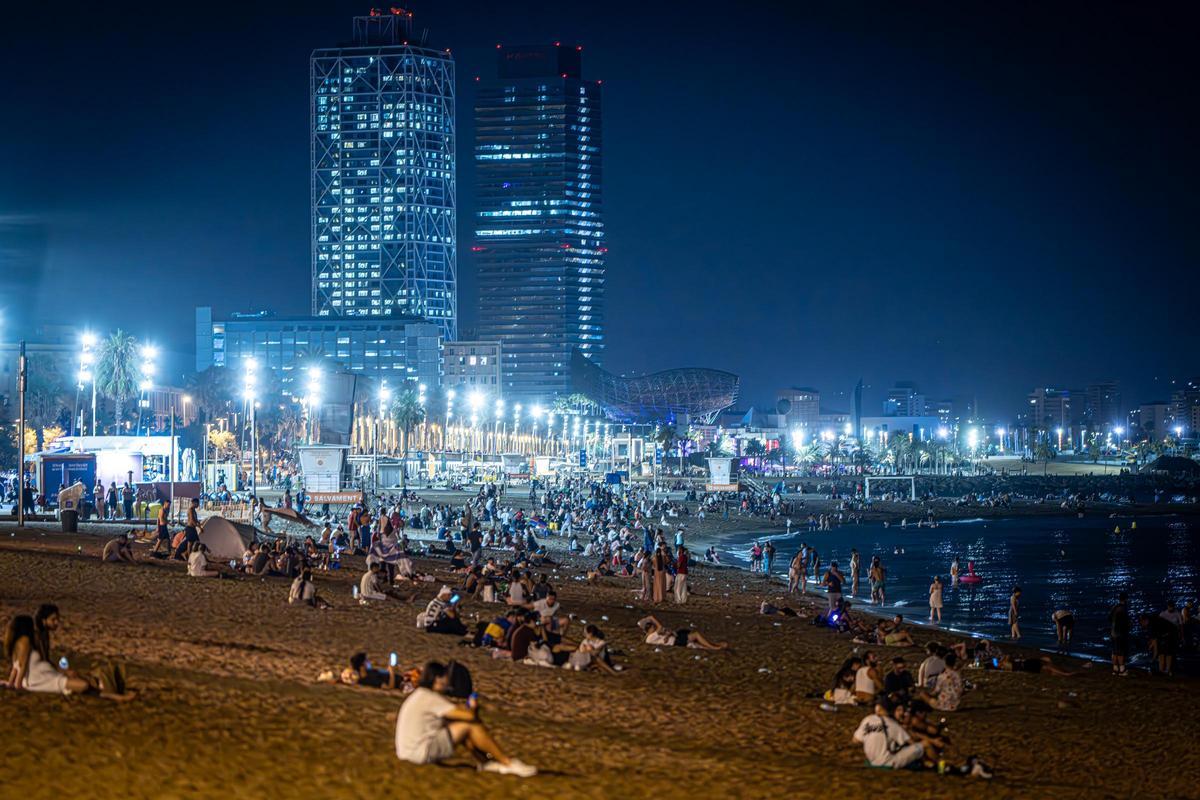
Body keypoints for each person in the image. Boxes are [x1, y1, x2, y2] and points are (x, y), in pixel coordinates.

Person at [394, 661, 536, 776]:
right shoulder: (431, 698)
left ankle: (485, 762)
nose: (447, 682)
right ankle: (507, 763)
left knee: (459, 725)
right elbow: (469, 716)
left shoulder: (421, 694)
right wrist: (473, 707)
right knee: (469, 725)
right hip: (419, 753)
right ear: (437, 679)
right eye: (445, 678)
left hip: (407, 752)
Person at [2, 605, 134, 700]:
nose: (57, 623)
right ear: (43, 620)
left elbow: (21, 664)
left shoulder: (41, 636)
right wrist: (16, 686)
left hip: (46, 674)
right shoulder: (32, 638)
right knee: (82, 683)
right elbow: (22, 664)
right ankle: (111, 691)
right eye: (53, 619)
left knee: (80, 678)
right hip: (42, 679)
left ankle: (113, 694)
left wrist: (11, 683)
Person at [852, 697, 925, 770]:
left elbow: (855, 740)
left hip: (871, 761)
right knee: (923, 745)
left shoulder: (867, 719)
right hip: (888, 762)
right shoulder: (892, 724)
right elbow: (912, 742)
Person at [637, 615, 728, 651]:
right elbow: (660, 627)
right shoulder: (650, 638)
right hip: (675, 641)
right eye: (650, 627)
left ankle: (714, 645)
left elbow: (663, 633)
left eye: (651, 625)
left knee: (696, 641)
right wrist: (652, 618)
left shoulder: (651, 636)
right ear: (647, 630)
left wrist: (668, 635)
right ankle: (714, 647)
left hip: (674, 639)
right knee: (696, 635)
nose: (653, 627)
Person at [1140, 612, 1178, 676]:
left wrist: (1154, 657)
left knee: (1168, 652)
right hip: (1163, 633)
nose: (1142, 625)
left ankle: (1167, 671)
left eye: (1142, 623)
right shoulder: (1151, 622)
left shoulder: (1153, 625)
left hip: (1171, 632)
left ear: (1145, 620)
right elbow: (1153, 638)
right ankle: (1161, 670)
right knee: (1161, 652)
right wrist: (1151, 644)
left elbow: (1155, 644)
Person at [1109, 591, 1131, 677]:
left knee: (1115, 651)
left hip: (1113, 632)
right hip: (1120, 633)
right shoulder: (1123, 609)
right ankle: (1122, 669)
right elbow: (1125, 623)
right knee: (1121, 652)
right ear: (1126, 599)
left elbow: (1109, 618)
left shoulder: (1114, 607)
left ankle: (1115, 669)